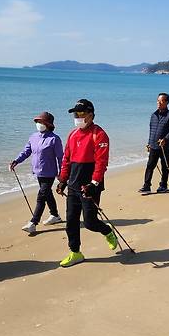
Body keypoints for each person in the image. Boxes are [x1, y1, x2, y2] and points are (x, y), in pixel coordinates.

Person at [56, 99, 118, 268]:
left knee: (90, 222)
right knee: (71, 221)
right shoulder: (72, 134)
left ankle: (107, 231)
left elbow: (101, 162)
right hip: (73, 186)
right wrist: (62, 180)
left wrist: (93, 183)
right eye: (75, 114)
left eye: (81, 114)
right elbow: (66, 160)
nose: (77, 117)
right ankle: (75, 252)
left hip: (90, 187)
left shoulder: (99, 134)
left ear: (91, 115)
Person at [10, 112, 64, 234]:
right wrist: (16, 161)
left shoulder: (54, 139)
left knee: (41, 197)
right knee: (47, 194)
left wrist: (62, 174)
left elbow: (61, 157)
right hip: (38, 172)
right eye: (38, 122)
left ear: (48, 124)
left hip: (50, 173)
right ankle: (55, 215)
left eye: (41, 122)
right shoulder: (33, 137)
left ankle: (33, 223)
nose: (39, 124)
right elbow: (26, 151)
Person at [139, 93, 169, 194]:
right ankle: (147, 186)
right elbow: (151, 130)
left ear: (167, 102)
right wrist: (149, 142)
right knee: (150, 166)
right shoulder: (153, 115)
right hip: (154, 146)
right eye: (158, 101)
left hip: (165, 146)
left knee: (165, 167)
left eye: (161, 101)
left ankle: (163, 185)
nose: (158, 103)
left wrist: (165, 139)